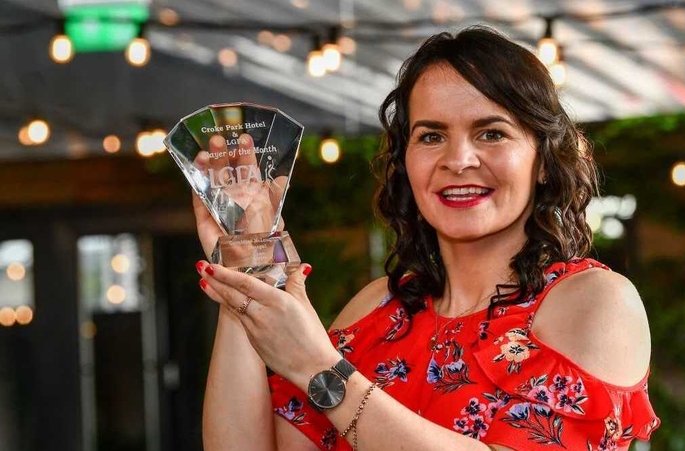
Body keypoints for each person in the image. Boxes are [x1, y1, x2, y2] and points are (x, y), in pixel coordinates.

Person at [194, 26, 660, 451]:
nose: (458, 160)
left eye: (491, 133)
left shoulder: (595, 302)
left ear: (543, 159)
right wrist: (245, 272)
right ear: (407, 162)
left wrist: (321, 369)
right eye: (431, 136)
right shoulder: (377, 309)